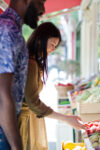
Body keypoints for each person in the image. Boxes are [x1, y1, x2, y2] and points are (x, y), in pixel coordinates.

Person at [18, 22, 86, 150]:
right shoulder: (30, 64)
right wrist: (66, 118)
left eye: (55, 46)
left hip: (31, 119)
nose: (53, 49)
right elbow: (33, 102)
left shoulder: (32, 61)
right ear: (40, 40)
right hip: (25, 123)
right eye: (52, 44)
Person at [0, 0, 46, 150]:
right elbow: (1, 95)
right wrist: (16, 145)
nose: (43, 9)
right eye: (40, 2)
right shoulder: (7, 30)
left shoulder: (12, 30)